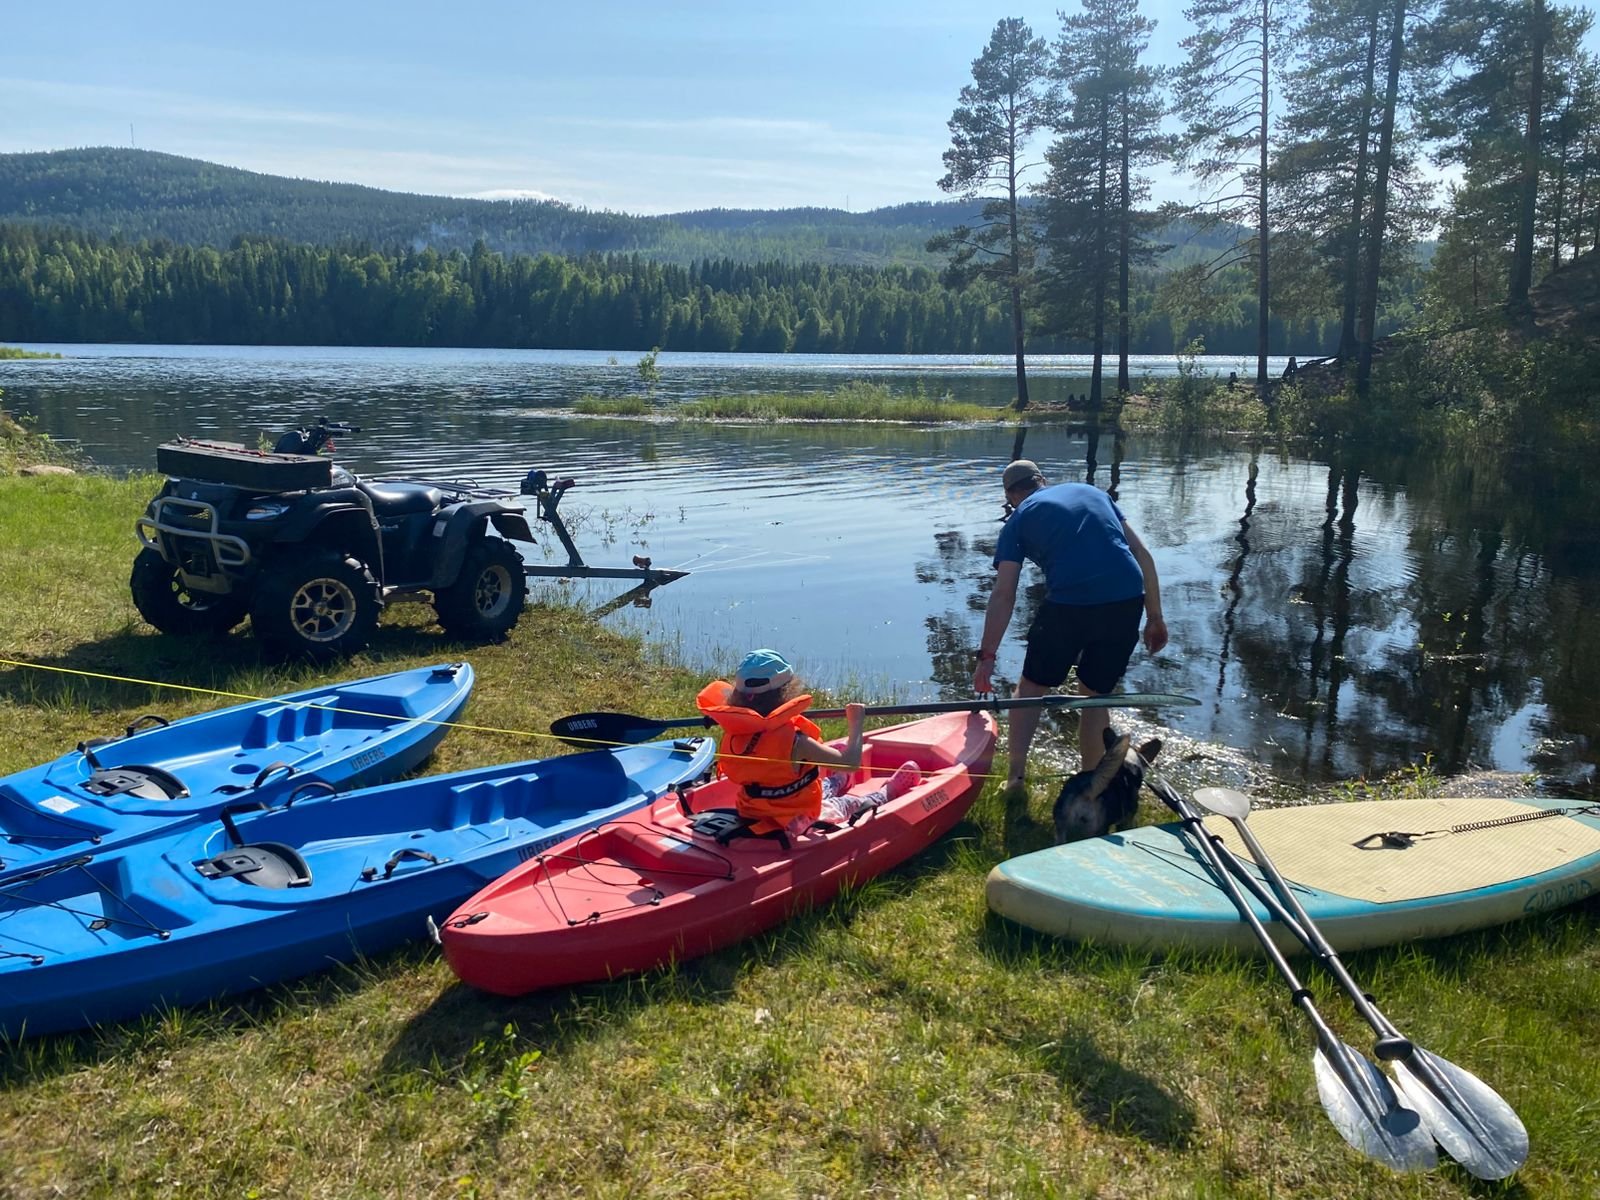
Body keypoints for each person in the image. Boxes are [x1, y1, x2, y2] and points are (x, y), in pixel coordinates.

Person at [972, 460, 1168, 790]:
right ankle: (1091, 784)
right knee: (1094, 695)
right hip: (1127, 599)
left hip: (1070, 604)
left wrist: (987, 656)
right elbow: (1142, 552)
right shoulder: (1093, 492)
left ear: (1011, 496)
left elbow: (1004, 594)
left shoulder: (1019, 519)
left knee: (1032, 689)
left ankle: (1015, 778)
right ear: (1042, 480)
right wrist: (1155, 617)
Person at [696, 649, 922, 838]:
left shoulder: (735, 731)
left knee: (818, 786)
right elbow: (851, 762)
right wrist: (856, 724)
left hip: (753, 811)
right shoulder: (796, 740)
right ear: (785, 691)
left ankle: (836, 780)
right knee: (846, 805)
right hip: (797, 818)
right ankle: (888, 791)